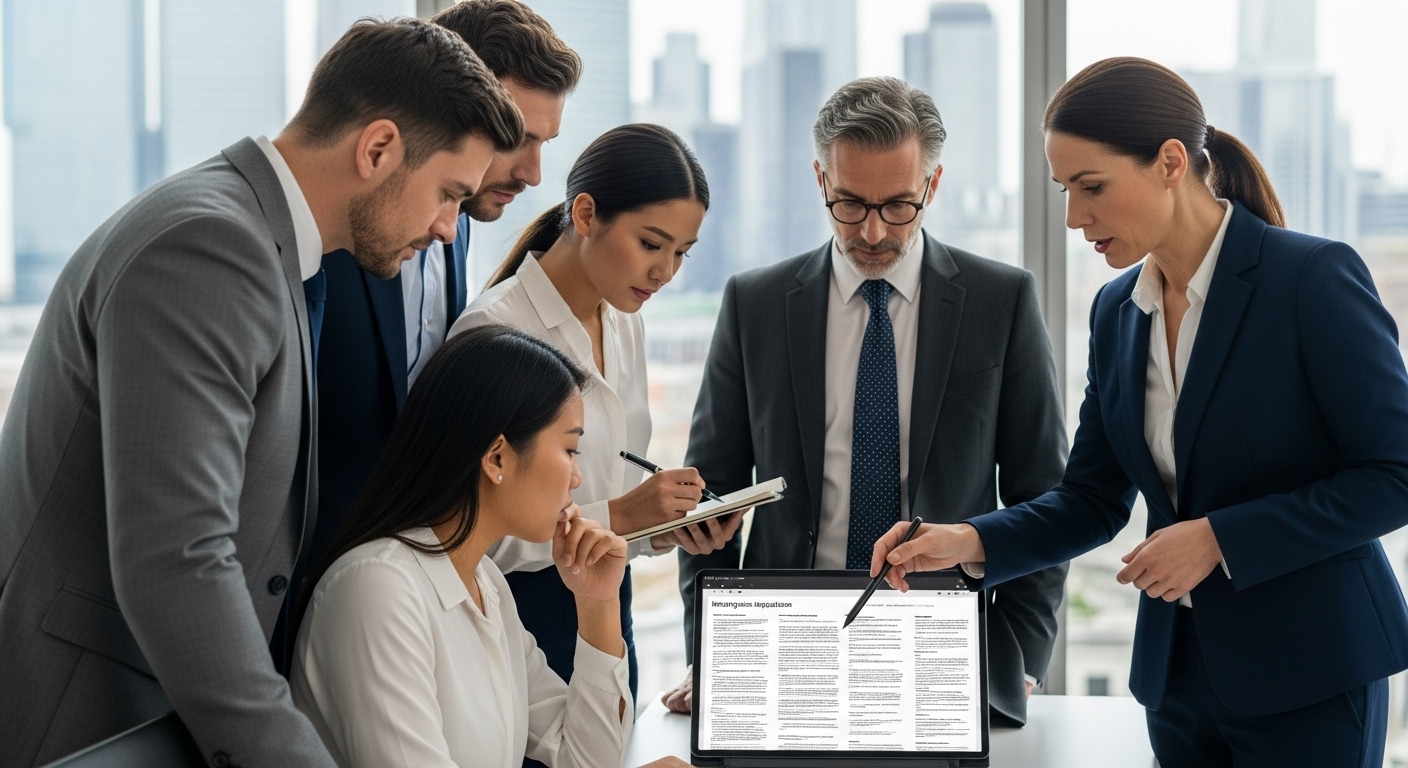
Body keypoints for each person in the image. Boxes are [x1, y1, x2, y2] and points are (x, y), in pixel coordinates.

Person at [0, 19, 523, 768]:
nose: (448, 231)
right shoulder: (211, 247)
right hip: (95, 719)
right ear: (377, 149)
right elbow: (178, 559)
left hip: (154, 709)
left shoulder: (265, 247)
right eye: (449, 194)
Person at [871, 57, 1408, 768]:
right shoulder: (1117, 311)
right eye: (1065, 190)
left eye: (1092, 187)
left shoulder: (1310, 279)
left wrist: (1220, 538)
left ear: (1170, 162)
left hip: (1309, 673)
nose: (1072, 217)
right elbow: (1092, 500)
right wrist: (967, 542)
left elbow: (1394, 473)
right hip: (1176, 682)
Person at [669, 76, 1068, 728]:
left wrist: (1019, 661)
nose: (874, 231)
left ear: (932, 187)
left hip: (946, 651)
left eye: (899, 206)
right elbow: (706, 505)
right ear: (820, 179)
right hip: (783, 649)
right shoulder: (756, 305)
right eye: (850, 204)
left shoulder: (1003, 301)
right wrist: (713, 653)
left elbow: (1045, 499)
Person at [288, 0, 581, 670]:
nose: (534, 173)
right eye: (518, 138)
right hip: (313, 604)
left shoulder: (457, 231)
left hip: (416, 602)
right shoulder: (332, 230)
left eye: (544, 143)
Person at [291, 325, 687, 768]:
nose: (576, 478)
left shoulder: (486, 584)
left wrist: (597, 603)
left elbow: (589, 760)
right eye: (571, 449)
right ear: (497, 457)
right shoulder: (376, 589)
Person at [450, 123, 731, 714]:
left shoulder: (625, 318)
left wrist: (665, 529)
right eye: (651, 244)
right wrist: (628, 513)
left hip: (604, 609)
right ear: (584, 214)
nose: (665, 272)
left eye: (681, 253)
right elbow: (465, 536)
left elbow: (610, 496)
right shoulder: (494, 332)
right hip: (519, 621)